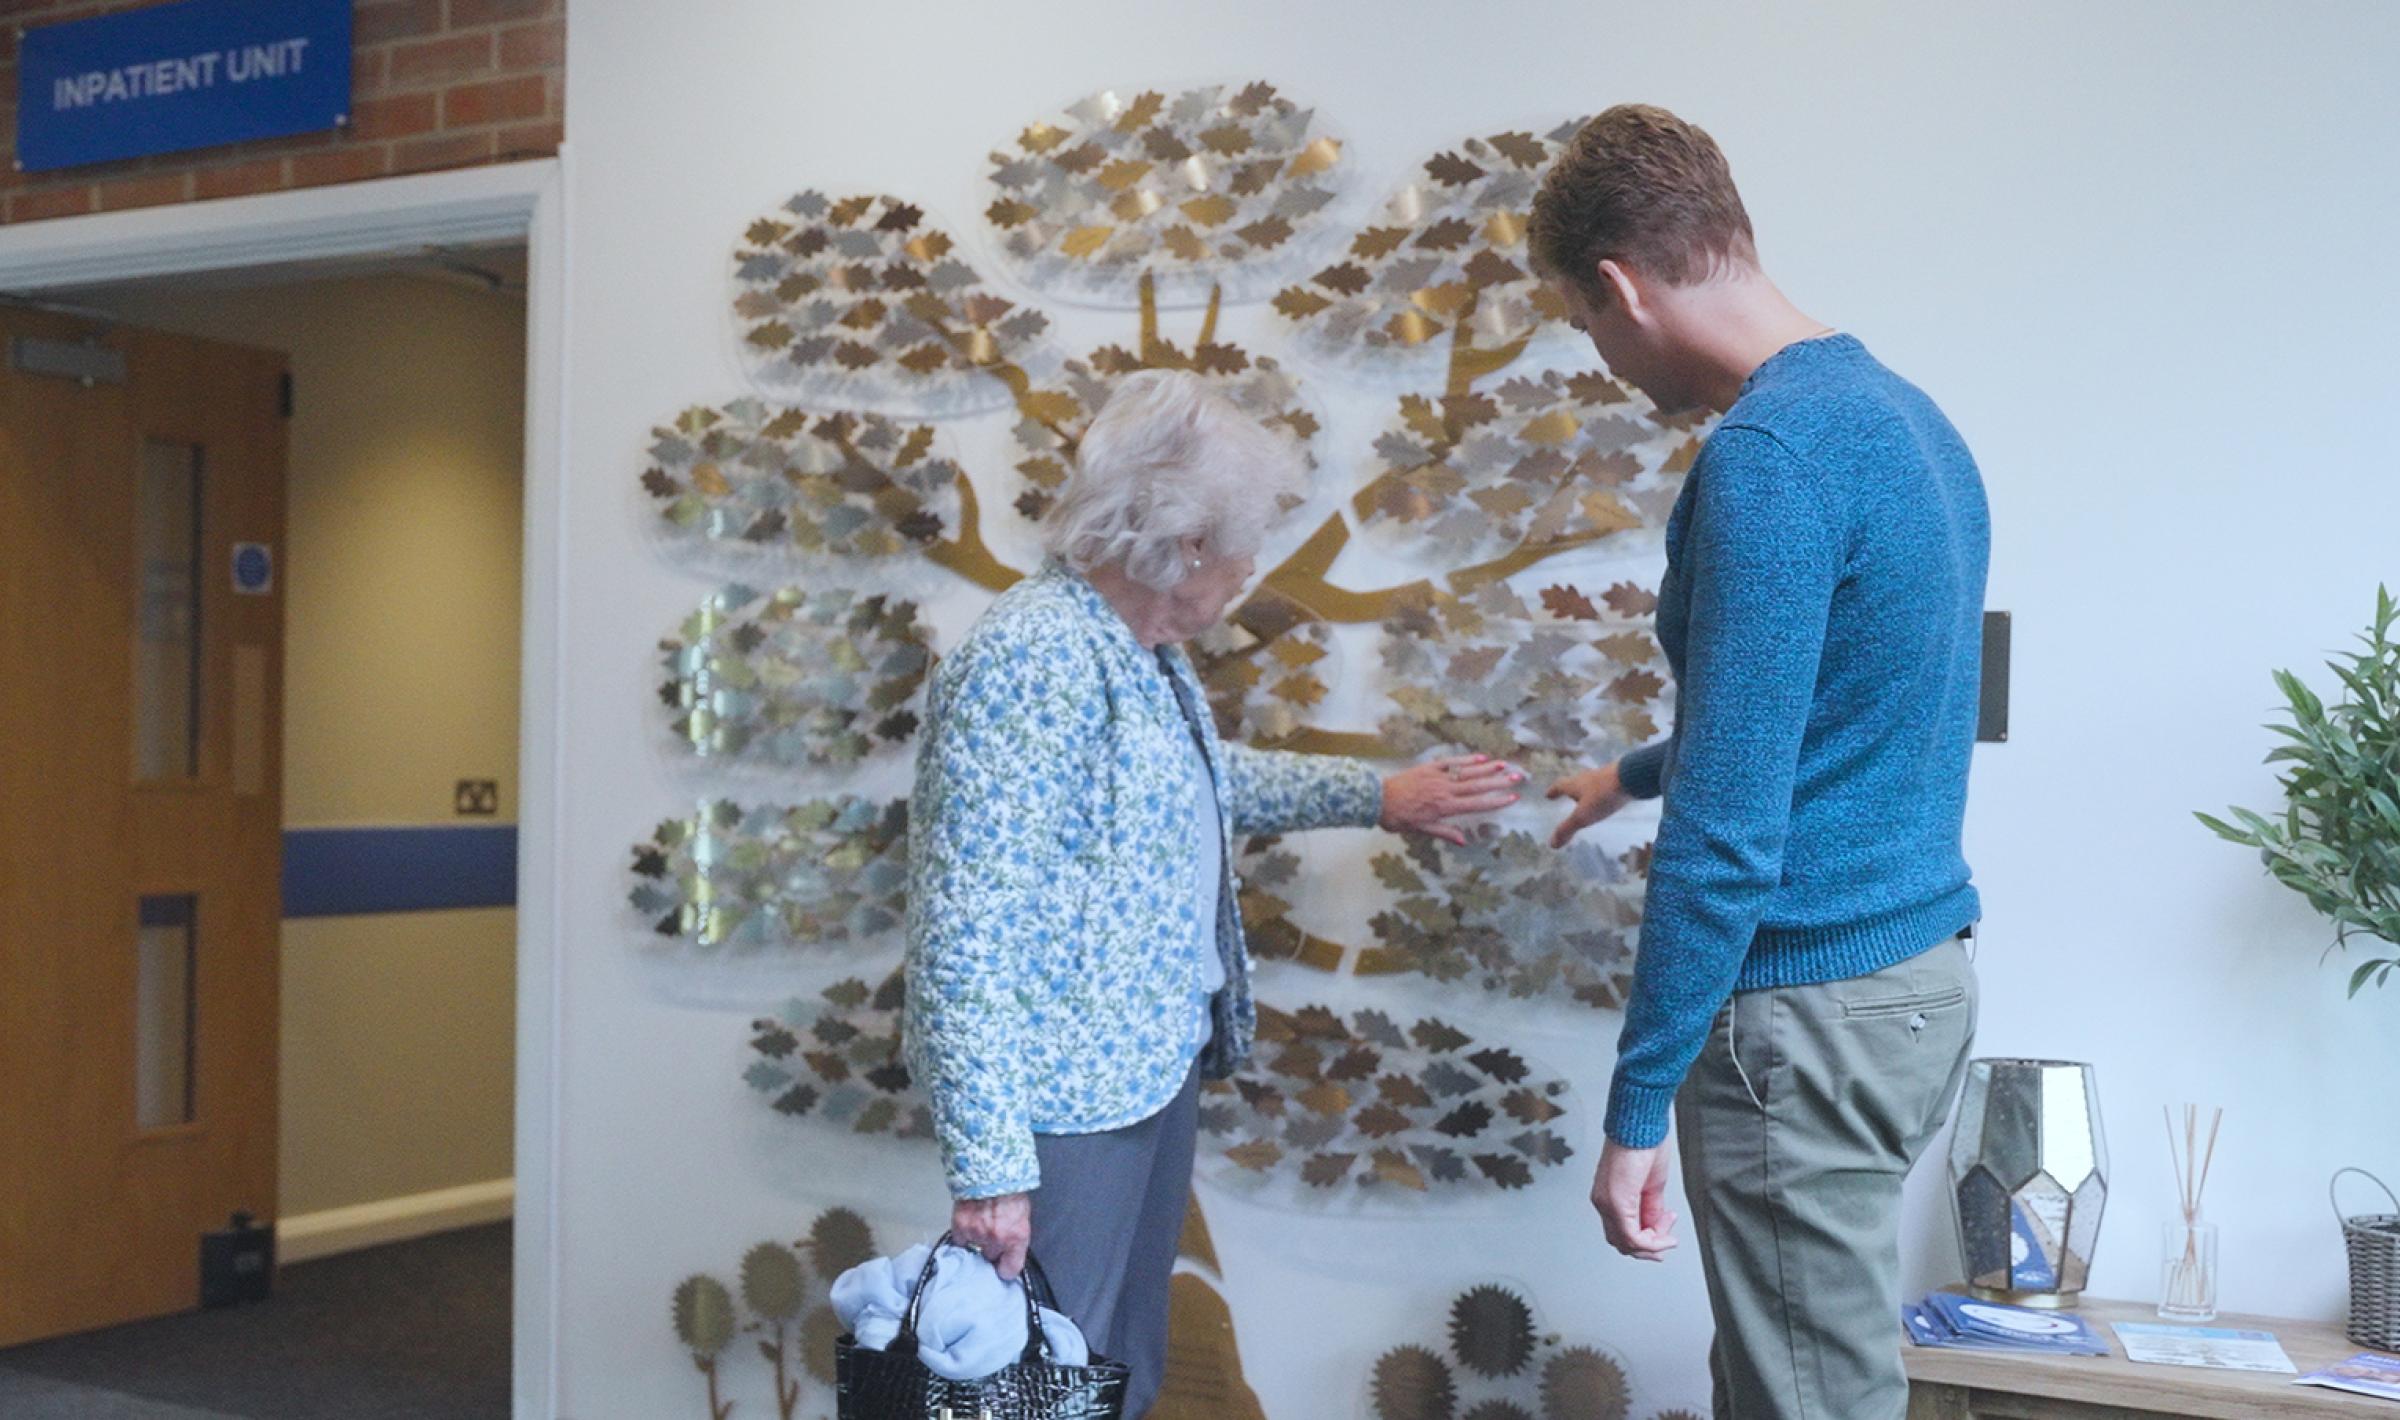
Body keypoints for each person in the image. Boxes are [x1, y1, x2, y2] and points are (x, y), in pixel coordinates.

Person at [903, 369, 1519, 1416]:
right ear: (1184, 542)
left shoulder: (1140, 653)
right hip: (1064, 1094)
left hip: (1146, 1063)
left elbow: (1198, 785)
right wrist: (991, 1163)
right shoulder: (1036, 657)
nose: (1246, 572)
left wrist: (1379, 794)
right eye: (1241, 546)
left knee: (1117, 1367)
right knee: (1043, 1383)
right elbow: (966, 928)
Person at [1531, 106, 1991, 1420]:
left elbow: (1732, 828)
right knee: (1789, 1378)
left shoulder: (1765, 461)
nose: (1609, 360)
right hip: (1916, 985)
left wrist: (1636, 1106)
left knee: (1809, 1400)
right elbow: (1843, 710)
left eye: (1585, 325)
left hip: (1805, 1015)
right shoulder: (1907, 420)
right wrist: (1627, 772)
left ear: (1619, 287)